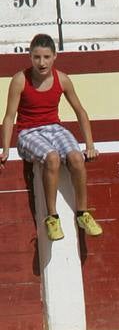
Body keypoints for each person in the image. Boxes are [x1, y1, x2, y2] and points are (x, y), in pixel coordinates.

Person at [0, 33, 102, 241]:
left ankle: (82, 213)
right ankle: (52, 217)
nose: (41, 62)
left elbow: (80, 112)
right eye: (36, 57)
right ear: (30, 57)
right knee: (52, 158)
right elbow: (9, 116)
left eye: (46, 57)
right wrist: (5, 149)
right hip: (28, 132)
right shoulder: (20, 79)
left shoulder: (62, 79)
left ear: (55, 56)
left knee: (76, 157)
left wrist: (90, 145)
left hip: (55, 129)